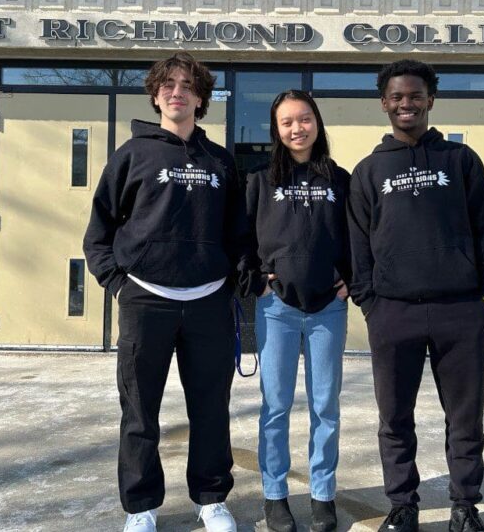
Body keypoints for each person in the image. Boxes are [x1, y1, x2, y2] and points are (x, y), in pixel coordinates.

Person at [83, 52, 246, 532]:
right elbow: (99, 230)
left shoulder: (220, 161)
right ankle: (141, 507)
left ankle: (212, 499)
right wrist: (119, 283)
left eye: (188, 85)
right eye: (168, 84)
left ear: (201, 97)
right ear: (156, 95)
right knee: (139, 411)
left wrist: (233, 279)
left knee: (211, 409)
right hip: (146, 300)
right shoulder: (132, 155)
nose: (178, 91)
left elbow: (238, 232)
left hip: (208, 301)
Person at [347, 60, 484, 532]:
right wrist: (369, 302)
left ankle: (464, 506)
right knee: (395, 419)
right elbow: (358, 244)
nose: (406, 104)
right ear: (384, 103)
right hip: (393, 313)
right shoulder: (369, 170)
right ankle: (402, 505)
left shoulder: (461, 161)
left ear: (430, 100)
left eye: (414, 95)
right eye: (396, 97)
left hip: (461, 311)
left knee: (464, 419)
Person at [238, 90, 351, 532]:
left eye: (304, 119)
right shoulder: (260, 181)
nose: (297, 129)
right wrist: (255, 281)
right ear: (276, 130)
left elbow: (357, 235)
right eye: (287, 122)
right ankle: (275, 495)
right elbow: (243, 239)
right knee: (276, 406)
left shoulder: (339, 179)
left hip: (328, 309)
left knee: (326, 406)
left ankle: (323, 495)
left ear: (317, 123)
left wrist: (350, 277)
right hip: (277, 310)